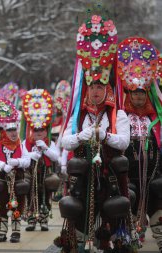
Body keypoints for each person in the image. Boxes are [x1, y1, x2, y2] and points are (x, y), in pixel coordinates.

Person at [57, 15, 134, 252]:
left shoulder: (117, 114)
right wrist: (82, 135)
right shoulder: (79, 116)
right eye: (92, 87)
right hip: (82, 176)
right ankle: (80, 243)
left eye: (101, 87)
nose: (96, 92)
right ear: (86, 89)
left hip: (109, 175)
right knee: (78, 216)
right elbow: (65, 142)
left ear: (107, 88)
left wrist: (105, 136)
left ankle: (109, 244)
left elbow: (125, 141)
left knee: (111, 219)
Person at [117, 37, 162, 252]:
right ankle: (131, 239)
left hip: (153, 172)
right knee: (130, 205)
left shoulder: (155, 117)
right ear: (129, 94)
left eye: (141, 93)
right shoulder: (122, 117)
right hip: (130, 173)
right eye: (134, 93)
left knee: (157, 206)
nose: (138, 97)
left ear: (147, 94)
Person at [0, 98, 29, 243]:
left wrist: (17, 162)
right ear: (4, 132)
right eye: (10, 130)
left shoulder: (21, 145)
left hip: (17, 180)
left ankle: (16, 231)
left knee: (18, 204)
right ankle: (2, 231)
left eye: (15, 130)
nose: (13, 133)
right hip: (2, 180)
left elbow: (27, 161)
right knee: (1, 204)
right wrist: (2, 165)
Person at [20, 89, 59, 232]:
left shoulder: (50, 142)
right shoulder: (26, 142)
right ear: (31, 130)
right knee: (31, 196)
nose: (39, 133)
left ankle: (44, 220)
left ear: (46, 130)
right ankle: (31, 220)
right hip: (30, 174)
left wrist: (45, 149)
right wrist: (32, 155)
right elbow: (22, 157)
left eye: (42, 130)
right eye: (36, 131)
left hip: (46, 174)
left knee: (45, 196)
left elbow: (56, 157)